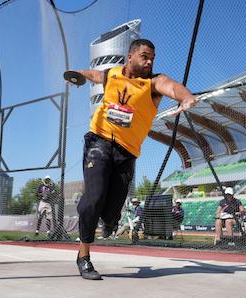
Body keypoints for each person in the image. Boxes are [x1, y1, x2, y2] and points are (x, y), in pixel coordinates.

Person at [65, 39, 198, 280]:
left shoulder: (153, 83)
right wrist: (79, 75)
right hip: (99, 141)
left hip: (127, 153)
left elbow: (173, 87)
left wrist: (186, 97)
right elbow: (96, 75)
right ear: (130, 57)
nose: (149, 62)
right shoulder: (114, 74)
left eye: (152, 59)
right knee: (92, 198)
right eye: (145, 56)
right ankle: (83, 257)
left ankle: (111, 219)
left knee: (112, 208)